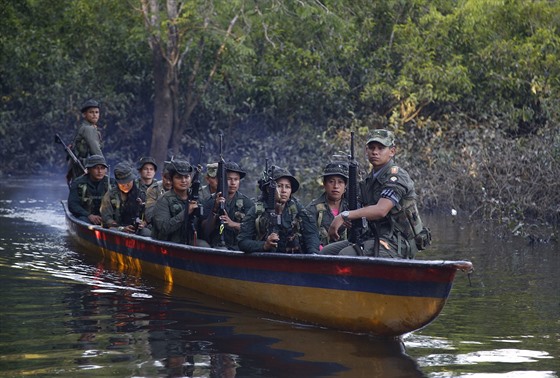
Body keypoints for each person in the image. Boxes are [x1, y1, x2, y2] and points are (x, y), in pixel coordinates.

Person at [322, 129, 430, 258]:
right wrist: (353, 220)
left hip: (397, 242)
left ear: (392, 151)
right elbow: (364, 210)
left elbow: (381, 210)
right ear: (366, 150)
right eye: (371, 148)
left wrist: (344, 215)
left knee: (345, 255)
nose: (375, 152)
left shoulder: (396, 176)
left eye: (380, 148)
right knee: (326, 253)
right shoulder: (369, 180)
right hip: (373, 237)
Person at [237, 166, 320, 254]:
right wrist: (264, 245)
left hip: (292, 258)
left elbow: (311, 234)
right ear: (269, 189)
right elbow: (242, 241)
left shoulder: (296, 208)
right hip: (264, 259)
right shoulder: (257, 210)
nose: (284, 191)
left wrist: (313, 254)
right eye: (279, 186)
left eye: (287, 187)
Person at [151, 160, 210, 247]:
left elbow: (204, 225)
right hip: (167, 245)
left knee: (204, 246)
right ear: (171, 180)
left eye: (187, 177)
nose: (183, 181)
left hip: (189, 241)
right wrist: (186, 212)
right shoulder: (163, 200)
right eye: (178, 177)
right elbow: (163, 228)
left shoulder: (196, 198)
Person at [201, 162, 254, 249]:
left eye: (236, 179)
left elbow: (252, 229)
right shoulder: (209, 201)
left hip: (238, 248)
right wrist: (214, 209)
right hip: (215, 248)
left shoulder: (247, 203)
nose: (233, 183)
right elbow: (205, 231)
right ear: (221, 180)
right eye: (229, 179)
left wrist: (232, 224)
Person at [306, 161, 350, 249]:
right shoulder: (313, 209)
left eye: (340, 182)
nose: (336, 186)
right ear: (325, 184)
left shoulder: (352, 208)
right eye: (331, 181)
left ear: (345, 186)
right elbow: (308, 237)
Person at [100, 162, 147, 234]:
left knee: (146, 233)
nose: (125, 185)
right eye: (122, 183)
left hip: (137, 229)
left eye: (128, 182)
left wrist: (144, 223)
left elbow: (150, 213)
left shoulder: (141, 193)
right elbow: (106, 218)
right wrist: (121, 228)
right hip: (117, 228)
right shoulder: (110, 195)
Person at [68, 155, 114, 225]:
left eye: (102, 168)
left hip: (106, 216)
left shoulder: (112, 183)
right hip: (85, 216)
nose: (100, 171)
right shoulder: (78, 183)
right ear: (89, 169)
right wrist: (88, 215)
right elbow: (72, 205)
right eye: (96, 168)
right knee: (82, 220)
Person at [66, 99, 104, 184]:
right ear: (84, 114)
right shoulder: (88, 129)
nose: (94, 115)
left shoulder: (85, 127)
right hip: (84, 167)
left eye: (97, 112)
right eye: (91, 112)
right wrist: (103, 167)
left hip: (81, 166)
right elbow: (96, 152)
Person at [144, 161, 173, 227]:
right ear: (162, 175)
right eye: (166, 178)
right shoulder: (154, 189)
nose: (168, 182)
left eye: (171, 179)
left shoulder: (180, 189)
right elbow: (149, 216)